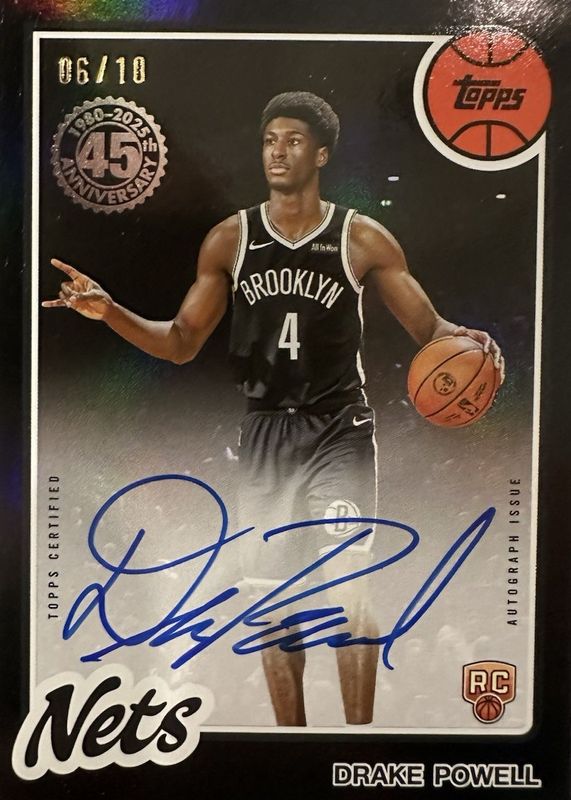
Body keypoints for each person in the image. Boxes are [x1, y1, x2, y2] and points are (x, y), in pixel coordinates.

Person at [43, 91, 503, 728]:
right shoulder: (229, 240)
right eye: (269, 141)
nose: (277, 152)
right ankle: (295, 743)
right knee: (272, 607)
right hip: (264, 434)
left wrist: (469, 341)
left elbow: (430, 330)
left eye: (292, 141)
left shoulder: (360, 238)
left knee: (348, 588)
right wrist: (110, 311)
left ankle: (357, 739)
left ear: (321, 154)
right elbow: (180, 342)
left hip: (339, 428)